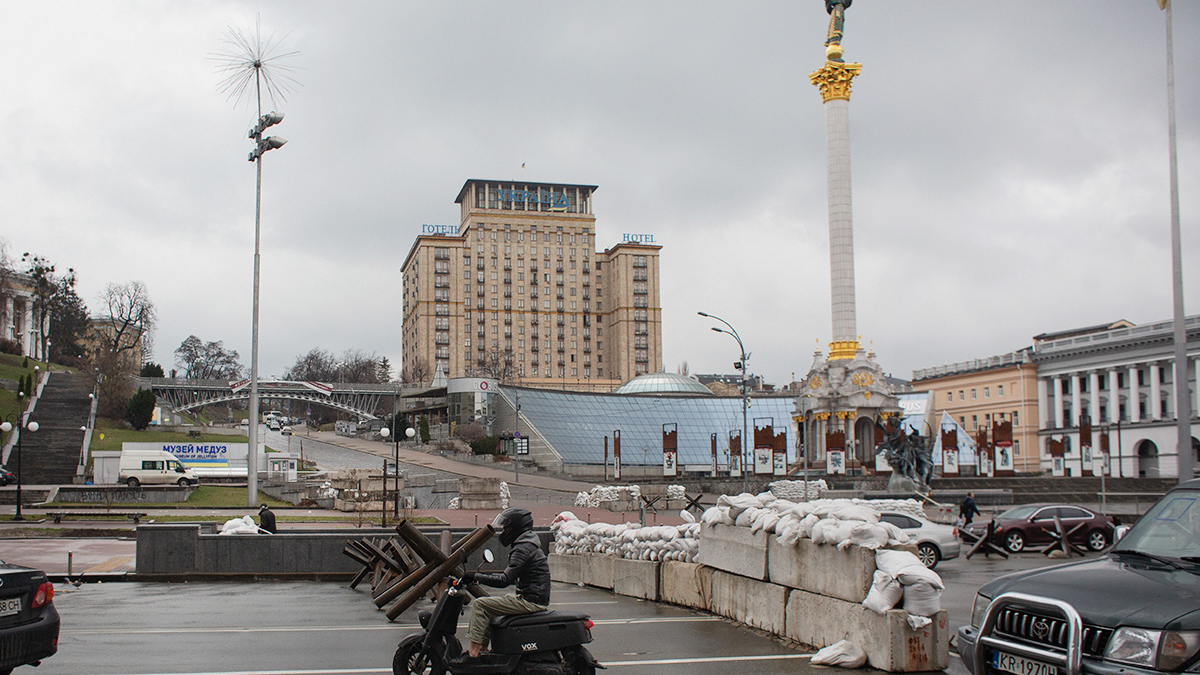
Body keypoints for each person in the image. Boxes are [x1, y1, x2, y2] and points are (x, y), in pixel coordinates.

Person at [453, 507, 550, 664]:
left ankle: (473, 653)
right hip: (533, 597)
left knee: (480, 604)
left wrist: (474, 576)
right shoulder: (528, 544)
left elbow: (504, 580)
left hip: (531, 601)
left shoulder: (523, 548)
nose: (504, 531)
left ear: (515, 528)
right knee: (491, 605)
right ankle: (483, 649)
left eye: (506, 527)